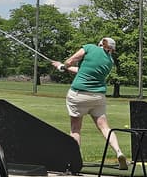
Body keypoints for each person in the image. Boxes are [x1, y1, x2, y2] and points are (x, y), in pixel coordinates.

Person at [52, 37, 123, 169]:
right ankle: (119, 152)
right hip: (98, 97)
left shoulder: (90, 48)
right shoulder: (109, 61)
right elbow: (82, 70)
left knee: (75, 129)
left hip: (79, 94)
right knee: (105, 127)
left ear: (100, 43)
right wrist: (65, 67)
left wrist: (63, 66)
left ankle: (75, 160)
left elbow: (71, 60)